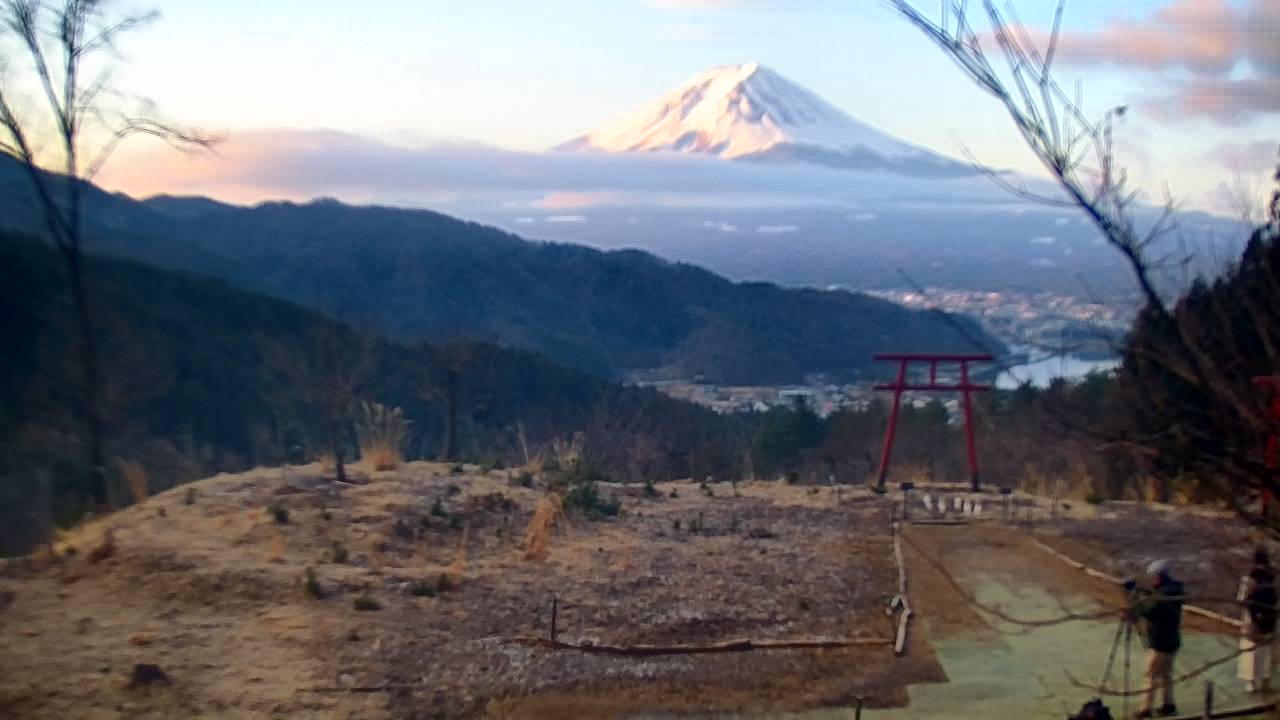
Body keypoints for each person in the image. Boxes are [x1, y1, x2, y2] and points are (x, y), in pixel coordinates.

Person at [1131, 559, 1184, 718]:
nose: (1152, 580)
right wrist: (1141, 591)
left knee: (1150, 675)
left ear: (1159, 576)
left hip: (1160, 642)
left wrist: (1133, 594)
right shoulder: (1174, 590)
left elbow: (1147, 610)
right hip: (1172, 641)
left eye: (1153, 576)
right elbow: (1154, 598)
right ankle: (1169, 705)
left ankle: (1145, 709)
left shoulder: (1163, 596)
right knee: (1166, 675)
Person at [1238, 548, 1278, 693]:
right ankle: (1265, 681)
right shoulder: (1272, 578)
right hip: (1269, 617)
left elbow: (1242, 599)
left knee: (1251, 651)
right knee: (1265, 650)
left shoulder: (1248, 579)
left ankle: (1251, 682)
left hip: (1252, 619)